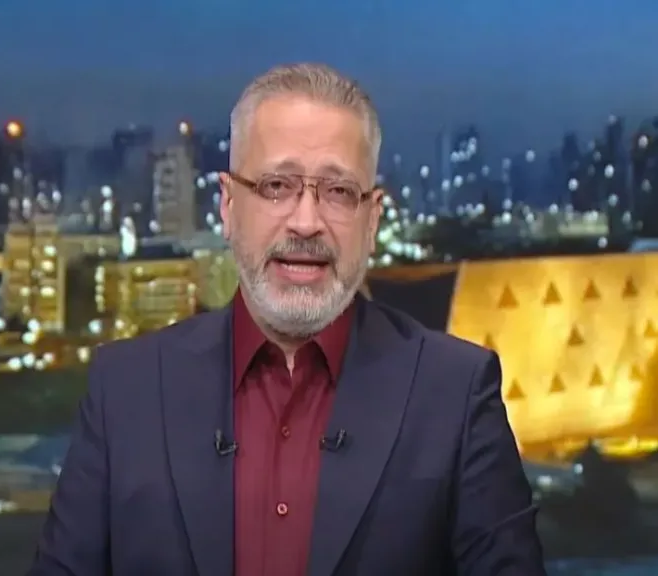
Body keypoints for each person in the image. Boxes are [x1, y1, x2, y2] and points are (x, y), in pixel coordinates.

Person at [29, 63, 546, 575]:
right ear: (228, 206)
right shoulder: (125, 390)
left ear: (372, 220)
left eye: (338, 192)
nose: (305, 222)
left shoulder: (456, 393)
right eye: (277, 186)